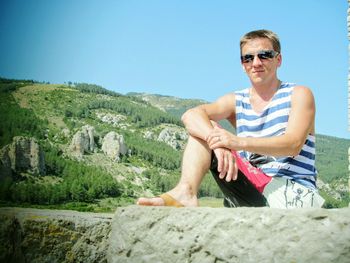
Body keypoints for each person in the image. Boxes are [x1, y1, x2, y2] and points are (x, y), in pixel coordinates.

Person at [137, 29, 324, 209]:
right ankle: (185, 192)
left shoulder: (299, 94)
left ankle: (186, 193)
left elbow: (292, 144)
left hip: (292, 194)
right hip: (255, 189)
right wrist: (219, 144)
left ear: (279, 59)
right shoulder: (237, 100)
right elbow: (191, 115)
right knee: (206, 126)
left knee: (211, 129)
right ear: (243, 65)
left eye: (264, 55)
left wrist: (236, 142)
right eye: (248, 58)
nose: (256, 63)